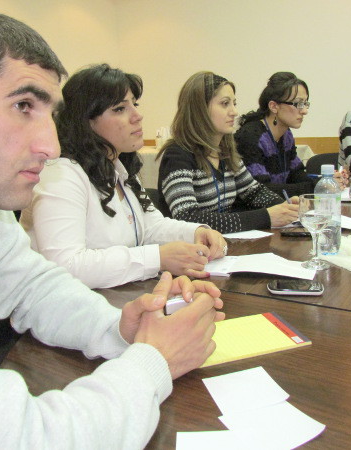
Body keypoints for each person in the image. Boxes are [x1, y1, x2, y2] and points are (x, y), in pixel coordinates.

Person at [0, 9, 224, 449]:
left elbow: (35, 287)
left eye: (50, 114)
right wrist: (153, 362)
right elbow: (13, 440)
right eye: (23, 106)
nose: (51, 146)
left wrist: (120, 329)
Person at [20, 64, 227, 289]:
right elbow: (67, 265)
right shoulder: (61, 175)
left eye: (134, 105)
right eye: (120, 108)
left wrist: (196, 232)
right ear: (85, 121)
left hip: (114, 296)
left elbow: (151, 227)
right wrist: (157, 258)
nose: (138, 116)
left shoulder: (118, 169)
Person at [157, 71, 298, 234]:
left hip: (223, 245)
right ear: (200, 109)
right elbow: (187, 218)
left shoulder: (225, 152)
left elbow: (254, 192)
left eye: (234, 103)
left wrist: (284, 208)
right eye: (225, 104)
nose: (234, 112)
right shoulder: (177, 155)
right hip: (189, 247)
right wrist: (267, 217)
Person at [235, 72, 316, 197]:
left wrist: (323, 182)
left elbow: (296, 174)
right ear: (274, 106)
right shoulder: (251, 136)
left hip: (279, 205)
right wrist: (312, 187)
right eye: (298, 104)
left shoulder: (286, 135)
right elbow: (261, 191)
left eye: (305, 103)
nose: (304, 111)